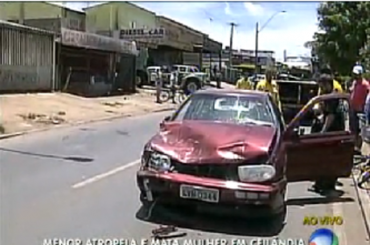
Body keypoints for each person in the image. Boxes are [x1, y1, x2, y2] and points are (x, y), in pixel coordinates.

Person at [312, 73, 346, 192]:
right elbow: (324, 112)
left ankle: (327, 183)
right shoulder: (327, 95)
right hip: (332, 130)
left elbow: (331, 116)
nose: (320, 88)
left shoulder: (332, 97)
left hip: (334, 132)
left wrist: (323, 132)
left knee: (328, 157)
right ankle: (323, 181)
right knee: (325, 157)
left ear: (327, 84)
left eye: (322, 85)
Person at [349, 65, 369, 154]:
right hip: (353, 108)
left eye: (357, 74)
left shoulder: (365, 84)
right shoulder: (355, 82)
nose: (356, 76)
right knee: (353, 129)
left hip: (361, 110)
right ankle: (355, 147)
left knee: (360, 130)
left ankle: (359, 148)